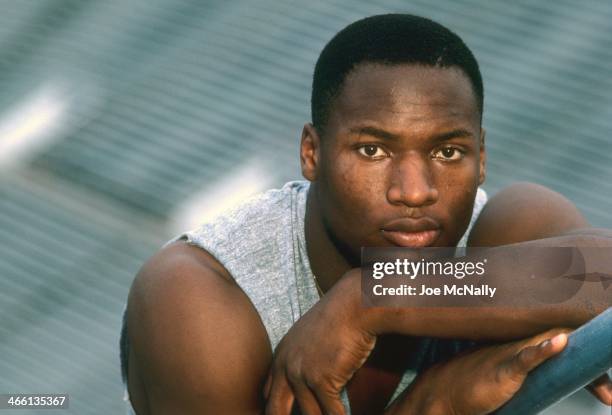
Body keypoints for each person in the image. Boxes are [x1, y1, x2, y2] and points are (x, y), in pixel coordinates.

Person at [120, 14, 612, 414]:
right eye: (373, 151)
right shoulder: (201, 297)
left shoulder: (502, 234)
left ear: (482, 158)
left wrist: (375, 298)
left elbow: (604, 275)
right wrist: (437, 403)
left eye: (447, 153)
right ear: (311, 154)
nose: (415, 192)